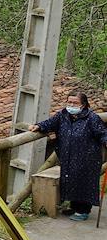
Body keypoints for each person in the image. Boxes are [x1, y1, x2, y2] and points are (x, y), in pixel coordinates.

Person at [32, 92, 107, 221]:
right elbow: (50, 123)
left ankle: (83, 211)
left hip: (87, 158)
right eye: (69, 102)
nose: (71, 105)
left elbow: (102, 133)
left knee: (84, 183)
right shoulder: (62, 115)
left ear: (83, 105)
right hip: (68, 156)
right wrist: (38, 126)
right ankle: (74, 207)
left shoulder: (92, 118)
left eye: (75, 103)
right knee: (71, 181)